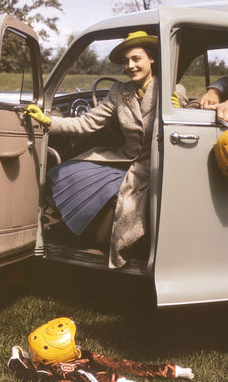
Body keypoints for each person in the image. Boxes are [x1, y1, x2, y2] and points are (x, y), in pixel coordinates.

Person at [26, 30, 187, 270]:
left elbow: (193, 113)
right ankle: (69, 231)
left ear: (152, 58)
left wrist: (179, 111)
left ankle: (121, 252)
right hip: (124, 160)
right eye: (126, 61)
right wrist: (49, 121)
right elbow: (87, 123)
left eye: (136, 59)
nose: (130, 66)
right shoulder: (118, 92)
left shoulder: (174, 90)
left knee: (128, 209)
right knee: (69, 172)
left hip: (158, 165)